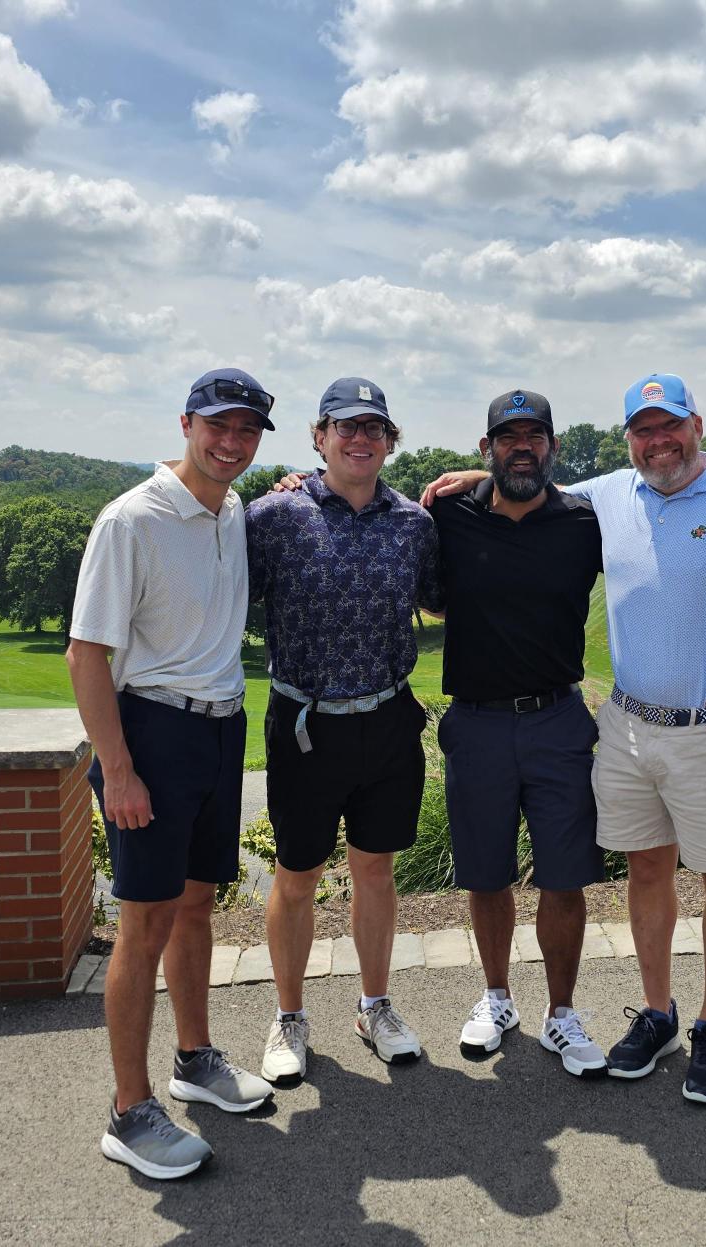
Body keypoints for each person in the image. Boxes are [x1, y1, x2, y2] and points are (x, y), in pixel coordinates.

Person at [426, 373, 706, 1105]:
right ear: (627, 439)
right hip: (627, 730)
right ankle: (658, 1013)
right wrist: (474, 477)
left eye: (670, 426)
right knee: (647, 873)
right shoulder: (608, 496)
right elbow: (530, 484)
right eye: (643, 430)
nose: (659, 442)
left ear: (697, 426)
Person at [67, 367, 277, 1180]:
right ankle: (130, 1110)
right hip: (151, 733)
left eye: (247, 430)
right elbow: (86, 654)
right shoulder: (132, 518)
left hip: (220, 729)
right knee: (145, 922)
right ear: (186, 424)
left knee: (195, 906)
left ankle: (195, 1059)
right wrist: (117, 770)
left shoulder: (232, 511)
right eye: (218, 426)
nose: (231, 442)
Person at [244, 377, 443, 1084]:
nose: (360, 439)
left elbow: (445, 598)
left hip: (387, 720)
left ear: (389, 441)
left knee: (375, 870)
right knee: (297, 875)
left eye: (374, 428)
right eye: (346, 426)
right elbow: (221, 595)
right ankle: (289, 1016)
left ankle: (374, 1006)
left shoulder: (413, 524)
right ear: (319, 436)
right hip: (305, 724)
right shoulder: (273, 517)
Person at [429, 389, 607, 1076]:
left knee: (565, 877)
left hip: (557, 719)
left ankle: (561, 1014)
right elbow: (367, 499)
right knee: (486, 874)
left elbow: (653, 498)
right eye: (508, 438)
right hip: (476, 721)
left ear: (553, 446)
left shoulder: (584, 521)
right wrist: (298, 481)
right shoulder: (447, 513)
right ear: (487, 448)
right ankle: (497, 997)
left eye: (535, 436)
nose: (522, 447)